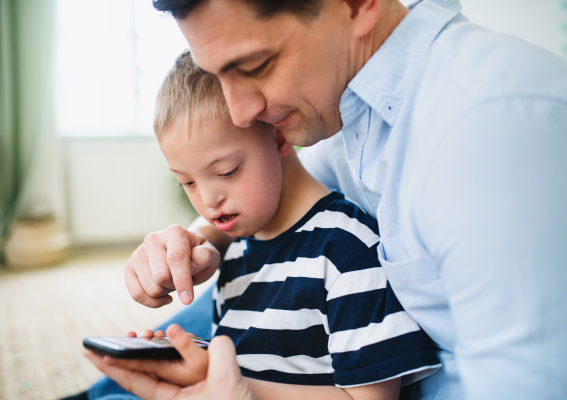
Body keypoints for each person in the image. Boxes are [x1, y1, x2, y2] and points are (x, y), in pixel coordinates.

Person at [78, 0, 567, 399]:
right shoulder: (335, 98)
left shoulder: (493, 129)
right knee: (218, 305)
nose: (241, 112)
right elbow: (284, 194)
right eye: (219, 75)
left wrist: (240, 390)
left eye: (254, 66)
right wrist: (196, 239)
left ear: (356, 4)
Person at [86, 49, 441, 399]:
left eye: (227, 171)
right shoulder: (236, 251)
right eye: (188, 183)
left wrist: (240, 390)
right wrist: (195, 366)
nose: (208, 201)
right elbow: (253, 365)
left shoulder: (346, 252)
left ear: (280, 136)